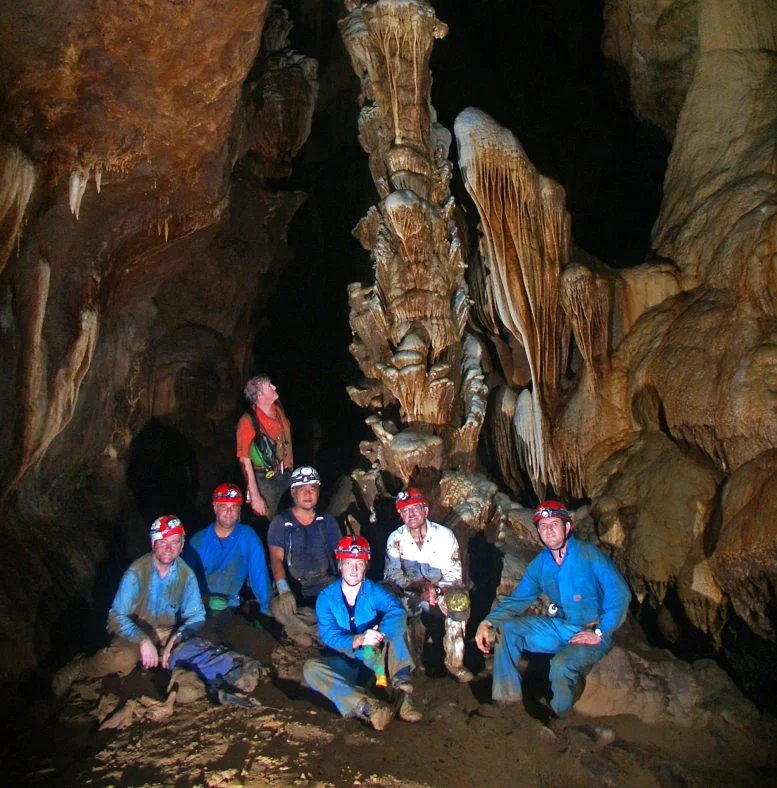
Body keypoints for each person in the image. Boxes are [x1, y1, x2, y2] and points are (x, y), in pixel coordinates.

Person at [53, 516, 262, 698]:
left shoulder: (186, 575)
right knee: (123, 658)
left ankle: (230, 668)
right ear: (153, 544)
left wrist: (176, 637)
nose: (168, 548)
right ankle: (81, 668)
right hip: (136, 630)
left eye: (174, 542)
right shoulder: (136, 573)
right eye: (162, 542)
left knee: (202, 642)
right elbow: (115, 616)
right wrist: (143, 640)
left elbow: (196, 615)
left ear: (182, 546)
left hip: (168, 631)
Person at [475, 500, 631, 718]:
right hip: (560, 627)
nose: (548, 531)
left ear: (567, 527)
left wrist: (600, 631)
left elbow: (619, 593)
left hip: (592, 630)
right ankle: (506, 697)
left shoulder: (588, 555)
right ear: (538, 531)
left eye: (554, 524)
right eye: (543, 526)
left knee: (560, 665)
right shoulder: (541, 564)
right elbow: (518, 599)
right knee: (507, 629)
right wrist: (488, 622)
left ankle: (560, 713)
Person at [303, 535, 422, 730]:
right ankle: (366, 707)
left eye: (359, 564)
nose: (354, 569)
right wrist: (358, 639)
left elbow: (397, 610)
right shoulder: (326, 598)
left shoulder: (373, 591)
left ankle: (403, 695)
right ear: (340, 565)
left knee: (397, 631)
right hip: (344, 660)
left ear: (366, 567)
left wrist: (378, 635)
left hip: (373, 659)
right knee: (310, 668)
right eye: (349, 563)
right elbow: (329, 635)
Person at [384, 487, 474, 683]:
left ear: (425, 510)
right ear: (400, 514)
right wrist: (417, 587)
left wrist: (437, 589)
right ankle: (406, 665)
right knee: (389, 604)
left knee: (459, 602)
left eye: (415, 509)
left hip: (442, 589)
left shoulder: (445, 535)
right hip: (411, 592)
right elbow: (392, 574)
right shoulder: (395, 539)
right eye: (405, 511)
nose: (411, 514)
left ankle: (454, 662)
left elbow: (454, 572)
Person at [183, 483, 273, 639]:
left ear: (239, 510)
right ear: (215, 508)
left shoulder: (248, 537)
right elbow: (182, 581)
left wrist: (265, 612)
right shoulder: (198, 541)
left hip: (232, 605)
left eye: (234, 507)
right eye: (223, 506)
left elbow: (259, 576)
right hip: (200, 605)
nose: (229, 512)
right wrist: (204, 599)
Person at [267, 466, 341, 647]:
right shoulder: (281, 523)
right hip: (296, 587)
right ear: (293, 493)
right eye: (302, 489)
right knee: (278, 608)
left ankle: (303, 630)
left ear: (318, 492)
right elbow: (276, 558)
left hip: (325, 583)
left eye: (313, 489)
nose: (308, 494)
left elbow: (341, 557)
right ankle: (324, 633)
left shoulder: (327, 522)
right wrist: (284, 590)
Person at [237, 374, 293, 519]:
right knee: (268, 521)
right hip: (264, 479)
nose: (274, 387)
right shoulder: (247, 421)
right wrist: (255, 495)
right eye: (269, 386)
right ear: (260, 395)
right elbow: (244, 460)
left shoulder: (278, 408)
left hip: (286, 474)